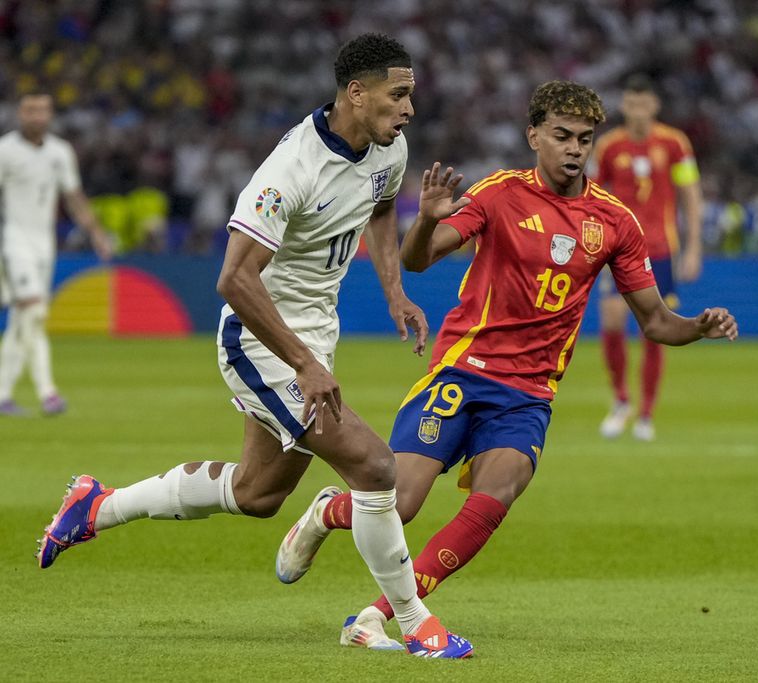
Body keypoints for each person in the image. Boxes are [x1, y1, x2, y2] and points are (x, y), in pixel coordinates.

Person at [34, 33, 473, 659]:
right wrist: (303, 363)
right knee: (376, 468)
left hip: (314, 335)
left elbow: (378, 211)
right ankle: (413, 622)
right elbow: (234, 279)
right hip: (259, 340)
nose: (408, 109)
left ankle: (96, 506)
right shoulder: (288, 171)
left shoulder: (389, 148)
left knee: (257, 495)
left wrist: (395, 291)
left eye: (410, 96)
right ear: (356, 93)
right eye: (398, 95)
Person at [274, 80, 737, 648]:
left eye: (584, 139)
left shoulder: (614, 222)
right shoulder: (497, 194)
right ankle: (327, 513)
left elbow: (658, 323)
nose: (574, 148)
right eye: (562, 136)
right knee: (404, 503)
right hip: (464, 371)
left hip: (529, 392)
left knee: (497, 495)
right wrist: (425, 219)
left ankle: (379, 616)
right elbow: (419, 260)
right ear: (533, 135)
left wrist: (699, 327)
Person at [590, 74, 704, 441]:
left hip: (660, 249)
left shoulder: (674, 143)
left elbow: (690, 194)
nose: (637, 111)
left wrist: (694, 246)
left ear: (654, 106)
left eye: (644, 104)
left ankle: (646, 413)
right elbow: (590, 196)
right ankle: (621, 400)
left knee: (654, 331)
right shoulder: (609, 146)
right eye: (631, 104)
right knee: (610, 321)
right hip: (618, 248)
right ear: (623, 106)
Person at [0, 92, 113, 416]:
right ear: (20, 114)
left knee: (25, 320)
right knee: (33, 312)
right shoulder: (5, 151)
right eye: (30, 110)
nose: (37, 116)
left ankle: (4, 394)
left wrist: (97, 233)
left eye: (43, 111)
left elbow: (73, 196)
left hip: (44, 244)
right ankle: (48, 392)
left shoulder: (59, 152)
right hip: (14, 241)